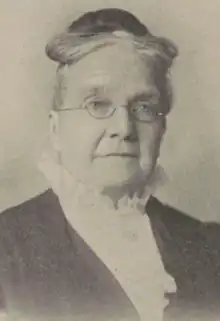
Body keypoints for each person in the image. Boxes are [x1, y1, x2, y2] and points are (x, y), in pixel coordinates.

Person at [0, 7, 220, 321]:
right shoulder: (6, 249)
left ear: (162, 129)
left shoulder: (211, 249)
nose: (124, 128)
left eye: (144, 107)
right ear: (56, 129)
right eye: (97, 104)